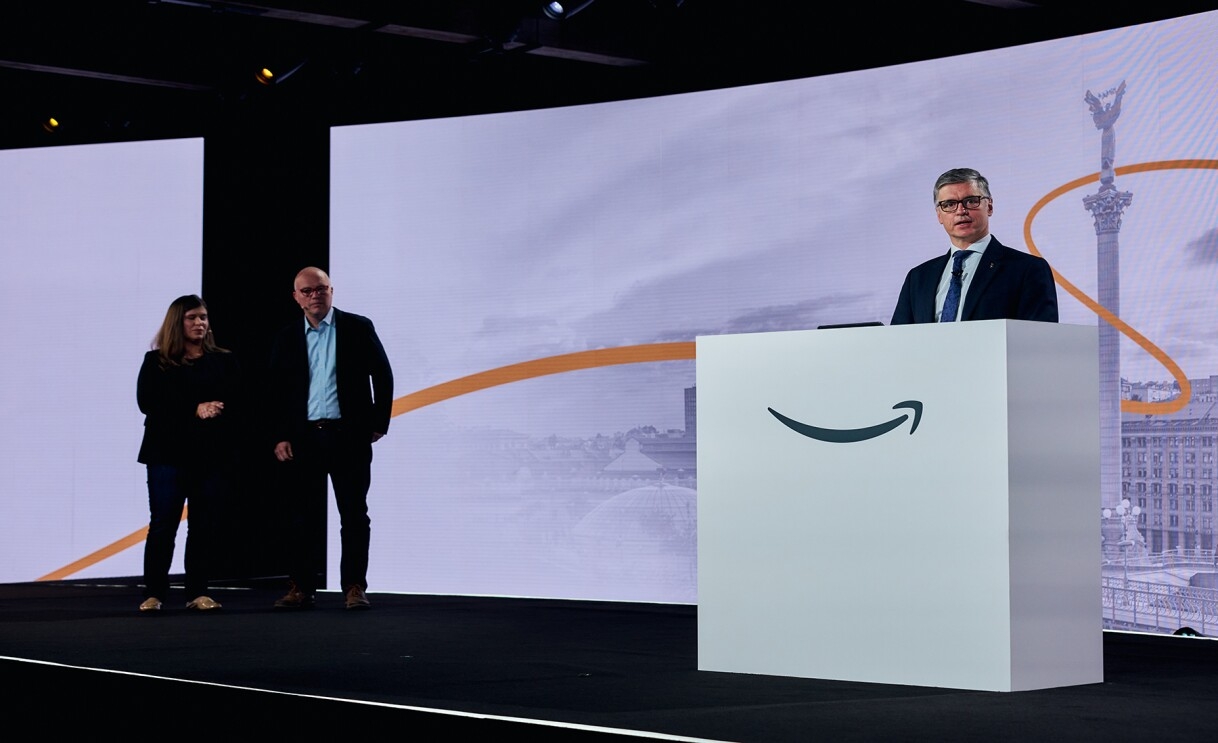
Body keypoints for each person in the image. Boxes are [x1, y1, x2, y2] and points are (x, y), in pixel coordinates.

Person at [268, 266, 393, 610]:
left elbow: (382, 374)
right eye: (306, 291)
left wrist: (379, 421)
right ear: (296, 298)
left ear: (332, 291)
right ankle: (301, 587)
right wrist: (279, 436)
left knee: (354, 514)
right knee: (300, 516)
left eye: (320, 289)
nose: (314, 295)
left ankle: (354, 587)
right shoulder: (286, 337)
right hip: (303, 438)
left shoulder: (357, 327)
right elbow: (274, 392)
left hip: (348, 435)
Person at [136, 294, 241, 612]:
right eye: (192, 317)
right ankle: (154, 593)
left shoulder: (224, 360)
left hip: (210, 456)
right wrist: (194, 409)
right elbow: (148, 403)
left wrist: (217, 409)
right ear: (177, 322)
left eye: (204, 317)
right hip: (166, 456)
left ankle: (198, 592)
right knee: (163, 524)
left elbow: (239, 402)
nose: (200, 323)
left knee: (203, 525)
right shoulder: (155, 362)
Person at [890, 168, 1059, 325]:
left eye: (971, 201)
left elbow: (1040, 340)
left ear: (989, 206)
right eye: (949, 204)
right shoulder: (918, 278)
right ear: (939, 215)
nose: (960, 211)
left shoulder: (1027, 269)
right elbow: (896, 341)